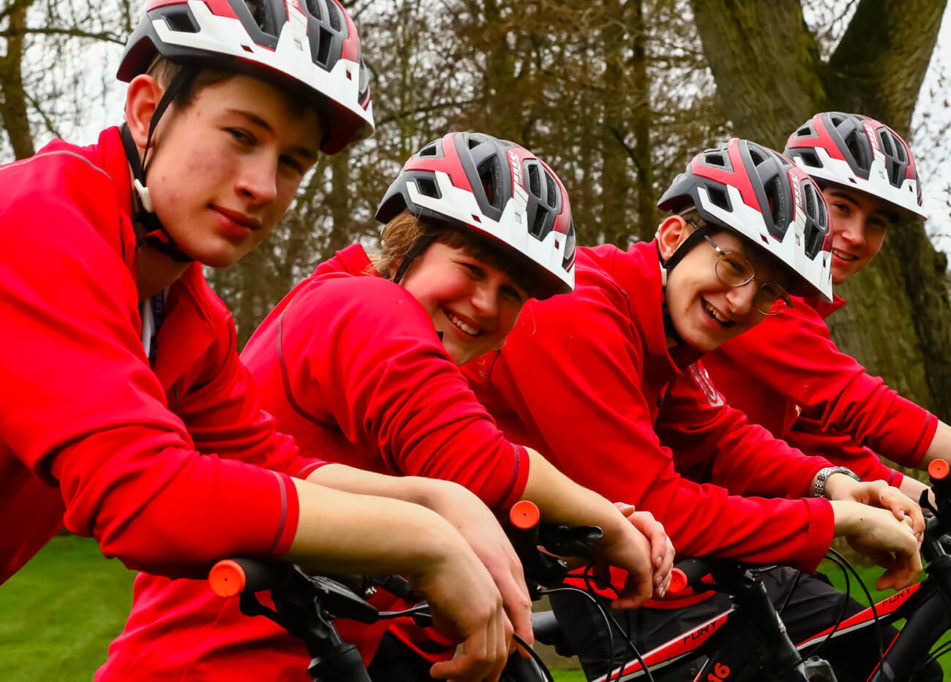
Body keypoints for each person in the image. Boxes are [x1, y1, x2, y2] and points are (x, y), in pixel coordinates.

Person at [0, 2, 549, 680]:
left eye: (292, 163)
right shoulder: (40, 221)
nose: (262, 186)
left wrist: (438, 500)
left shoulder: (187, 315)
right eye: (240, 135)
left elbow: (267, 463)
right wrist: (424, 541)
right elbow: (144, 495)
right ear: (146, 112)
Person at [98, 130, 671, 680]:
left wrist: (590, 522)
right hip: (208, 668)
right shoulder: (363, 305)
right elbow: (477, 465)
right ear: (408, 243)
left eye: (512, 294)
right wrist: (615, 531)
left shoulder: (355, 311)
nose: (485, 305)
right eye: (471, 269)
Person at [459, 137, 936, 681]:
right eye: (734, 265)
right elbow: (654, 502)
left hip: (646, 571)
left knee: (899, 664)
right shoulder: (578, 311)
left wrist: (831, 482)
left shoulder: (664, 325)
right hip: (598, 585)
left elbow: (722, 436)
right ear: (673, 236)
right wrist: (836, 519)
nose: (740, 302)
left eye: (769, 293)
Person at [700, 112, 951, 575]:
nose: (855, 237)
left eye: (877, 223)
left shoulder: (799, 316)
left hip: (725, 552)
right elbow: (870, 410)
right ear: (797, 198)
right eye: (842, 207)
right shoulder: (757, 301)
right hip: (670, 558)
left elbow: (860, 466)